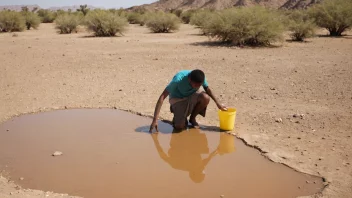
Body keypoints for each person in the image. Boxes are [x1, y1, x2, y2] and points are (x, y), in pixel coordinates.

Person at [149, 69, 227, 132]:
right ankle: (176, 112)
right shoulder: (178, 79)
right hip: (177, 98)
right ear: (189, 79)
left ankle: (192, 119)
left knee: (205, 98)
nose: (197, 87)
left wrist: (218, 103)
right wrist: (155, 120)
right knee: (179, 127)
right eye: (196, 85)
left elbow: (207, 89)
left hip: (190, 95)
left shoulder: (200, 78)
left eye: (199, 85)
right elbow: (162, 97)